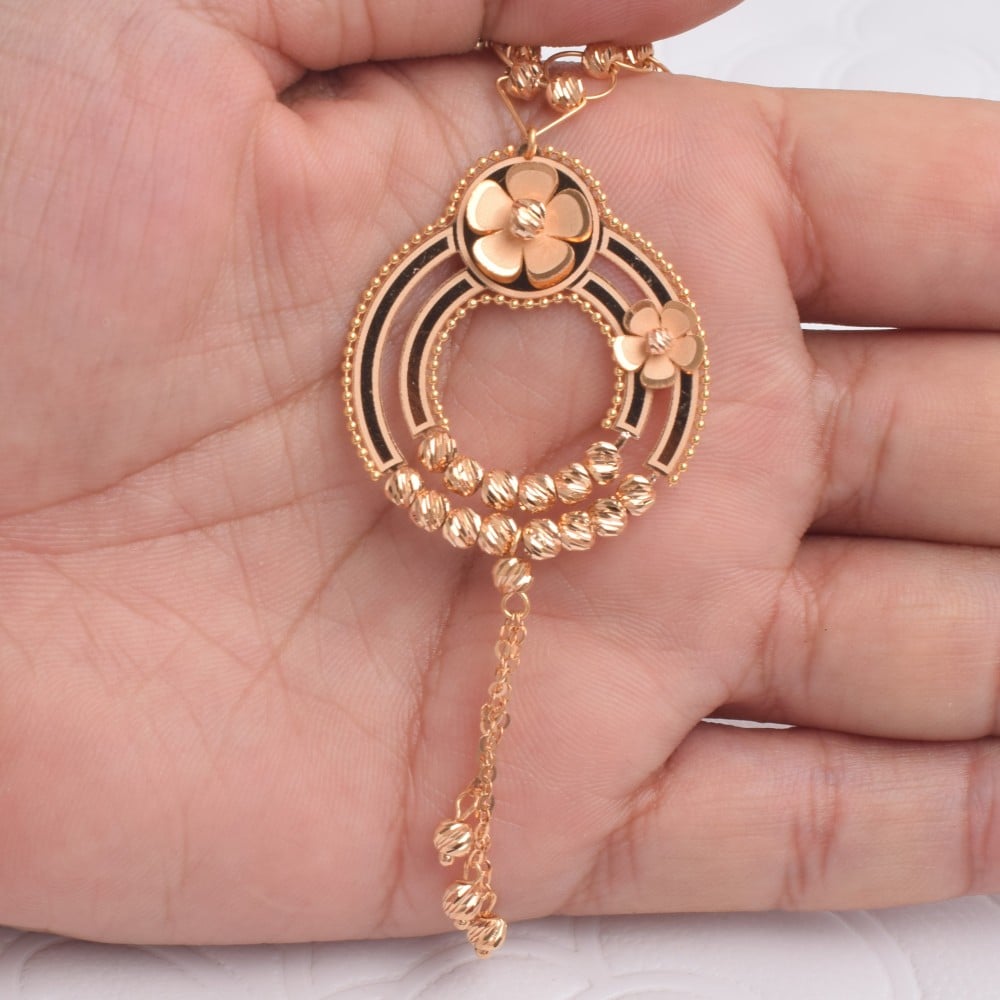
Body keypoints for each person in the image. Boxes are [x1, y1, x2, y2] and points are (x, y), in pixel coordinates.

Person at [0, 0, 997, 945]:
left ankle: (476, 852)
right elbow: (397, 368)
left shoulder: (626, 302)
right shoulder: (442, 290)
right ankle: (477, 853)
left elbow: (651, 371)